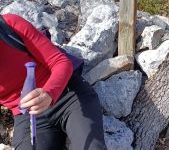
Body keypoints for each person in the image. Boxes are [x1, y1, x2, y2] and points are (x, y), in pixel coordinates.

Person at [0, 13, 107, 150]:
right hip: (28, 115)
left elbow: (60, 62)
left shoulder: (8, 25)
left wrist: (49, 93)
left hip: (68, 95)